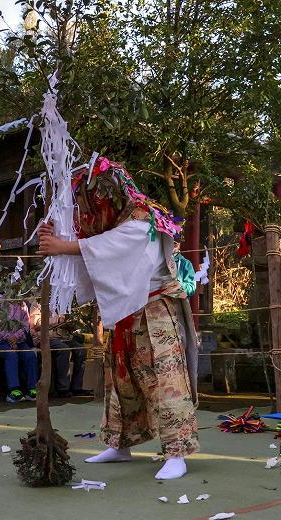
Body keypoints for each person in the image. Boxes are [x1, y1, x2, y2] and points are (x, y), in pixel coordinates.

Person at [38, 157, 199, 481]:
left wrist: (65, 246)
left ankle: (176, 451)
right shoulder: (111, 222)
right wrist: (56, 234)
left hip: (157, 308)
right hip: (128, 312)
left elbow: (113, 250)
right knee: (121, 382)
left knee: (165, 379)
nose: (89, 211)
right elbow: (91, 241)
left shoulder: (143, 218)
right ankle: (121, 444)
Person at [29, 303, 92, 398]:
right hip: (46, 339)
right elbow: (35, 325)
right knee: (64, 349)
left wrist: (70, 325)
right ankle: (63, 388)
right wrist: (57, 320)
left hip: (63, 337)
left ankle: (76, 387)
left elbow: (66, 324)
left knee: (81, 350)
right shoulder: (38, 303)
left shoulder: (63, 300)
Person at [0, 293, 38, 403]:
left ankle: (32, 388)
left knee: (30, 355)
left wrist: (15, 337)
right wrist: (8, 338)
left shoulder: (22, 304)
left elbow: (26, 326)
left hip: (18, 340)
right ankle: (13, 390)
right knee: (11, 355)